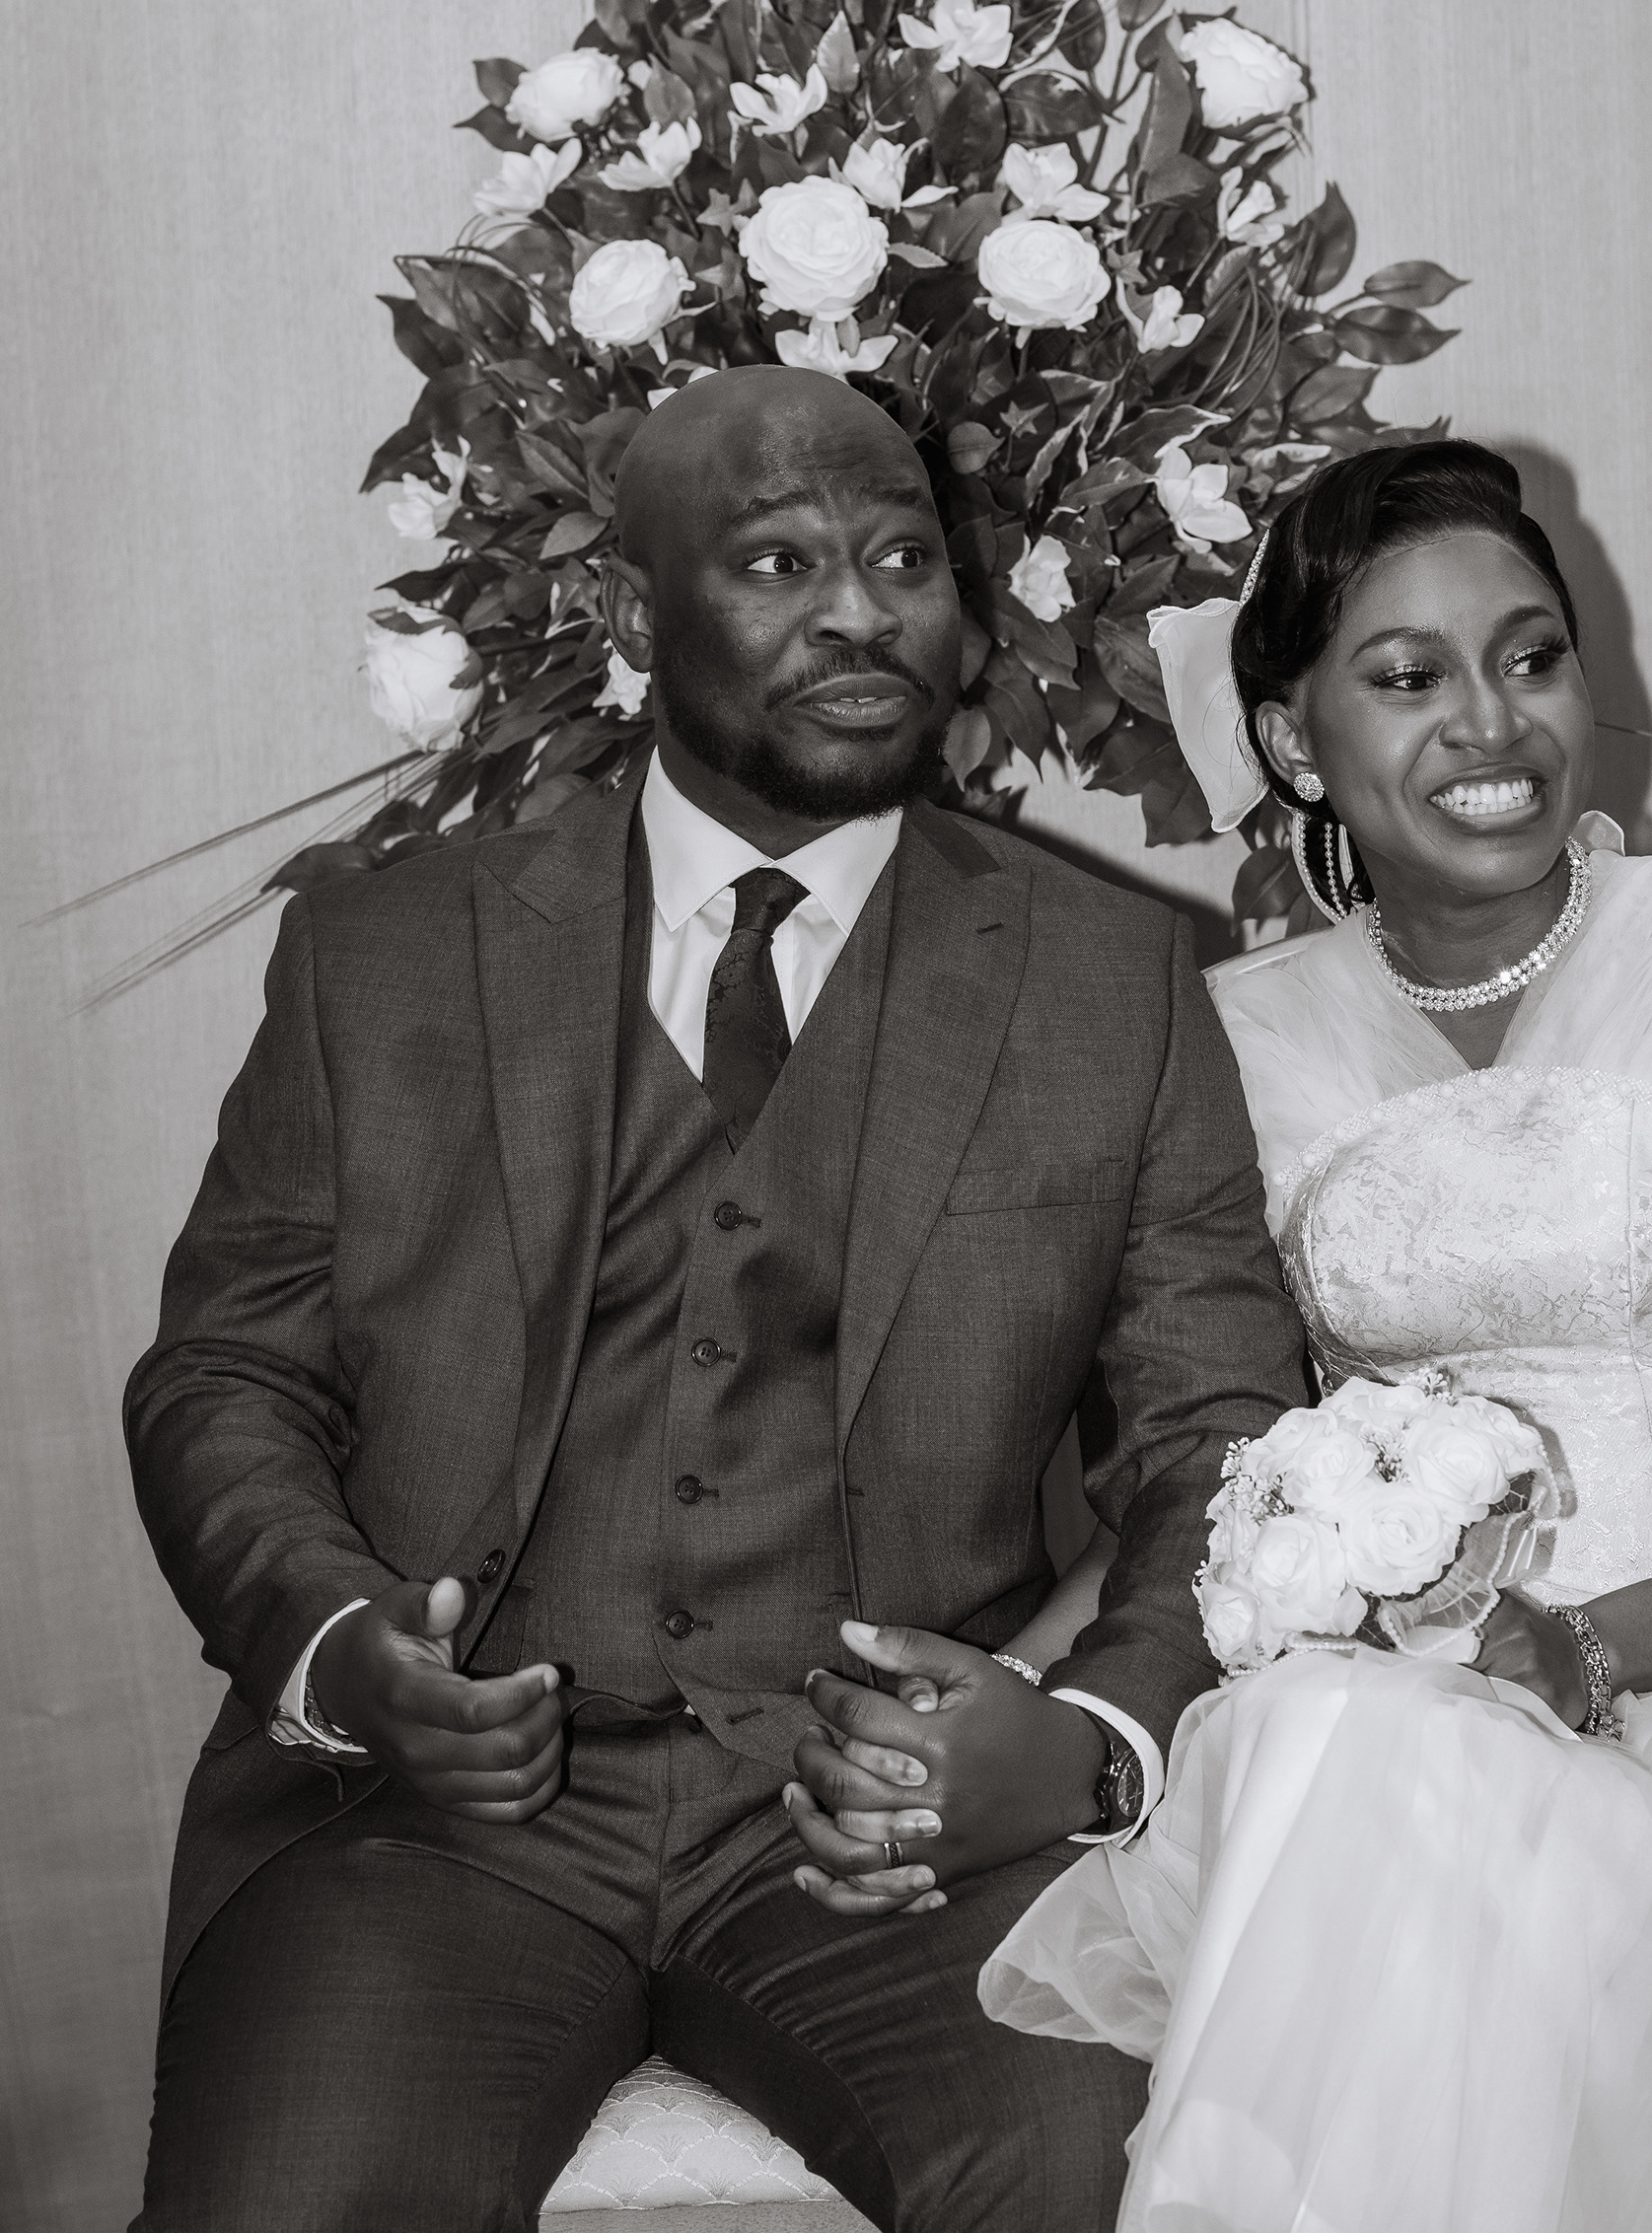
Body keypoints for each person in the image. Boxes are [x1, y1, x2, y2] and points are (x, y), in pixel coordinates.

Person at [122, 368, 1307, 2232]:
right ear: (631, 610)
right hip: (438, 1834)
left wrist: (1085, 1745)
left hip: (888, 1825)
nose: (860, 614)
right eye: (776, 565)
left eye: (903, 560)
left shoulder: (1113, 980)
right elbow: (224, 1379)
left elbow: (1220, 1432)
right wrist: (346, 1651)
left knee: (1121, 2181)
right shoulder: (383, 954)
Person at [979, 440, 1652, 2232]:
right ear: (1295, 740)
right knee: (1358, 1753)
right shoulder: (1228, 1050)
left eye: (1531, 658)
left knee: (1381, 1775)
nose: (1494, 723)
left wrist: (1585, 1657)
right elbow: (1209, 1479)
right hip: (1399, 1726)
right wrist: (1010, 1695)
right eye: (1408, 678)